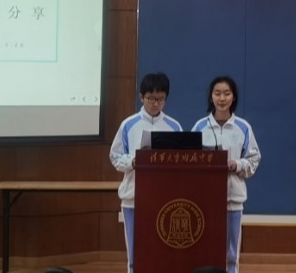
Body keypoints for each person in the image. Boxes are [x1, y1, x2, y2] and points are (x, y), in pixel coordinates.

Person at [109, 72, 182, 273]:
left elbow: (181, 162)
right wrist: (134, 161)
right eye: (151, 98)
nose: (155, 104)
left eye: (160, 99)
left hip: (164, 199)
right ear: (141, 97)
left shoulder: (174, 126)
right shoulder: (128, 124)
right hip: (133, 198)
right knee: (134, 254)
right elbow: (115, 157)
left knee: (162, 250)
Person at [192, 76, 261, 273]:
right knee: (206, 250)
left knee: (231, 254)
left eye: (226, 93)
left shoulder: (243, 127)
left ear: (233, 97)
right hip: (205, 201)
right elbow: (189, 160)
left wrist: (236, 164)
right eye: (217, 93)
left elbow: (254, 159)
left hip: (233, 200)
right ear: (211, 97)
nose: (222, 98)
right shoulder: (200, 127)